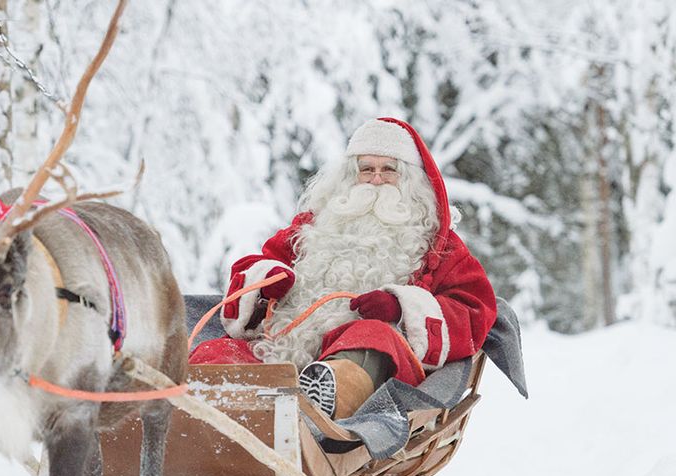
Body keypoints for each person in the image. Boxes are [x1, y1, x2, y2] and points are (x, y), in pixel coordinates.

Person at [190, 117, 498, 418]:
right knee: (215, 353)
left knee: (373, 335)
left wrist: (401, 308)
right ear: (351, 176)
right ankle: (205, 407)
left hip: (370, 370)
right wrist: (266, 281)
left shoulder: (439, 245)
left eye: (388, 170)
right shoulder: (313, 227)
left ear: (410, 180)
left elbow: (474, 310)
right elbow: (256, 268)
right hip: (281, 351)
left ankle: (324, 399)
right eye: (367, 170)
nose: (376, 179)